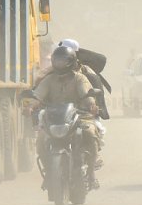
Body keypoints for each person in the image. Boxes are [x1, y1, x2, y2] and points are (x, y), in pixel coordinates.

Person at [34, 46, 102, 189]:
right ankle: (49, 174)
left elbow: (86, 93)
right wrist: (30, 106)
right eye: (57, 61)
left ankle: (91, 175)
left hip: (79, 115)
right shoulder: (49, 79)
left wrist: (92, 105)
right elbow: (38, 95)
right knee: (41, 140)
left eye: (63, 61)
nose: (60, 65)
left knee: (90, 133)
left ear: (71, 62)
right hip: (54, 118)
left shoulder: (79, 78)